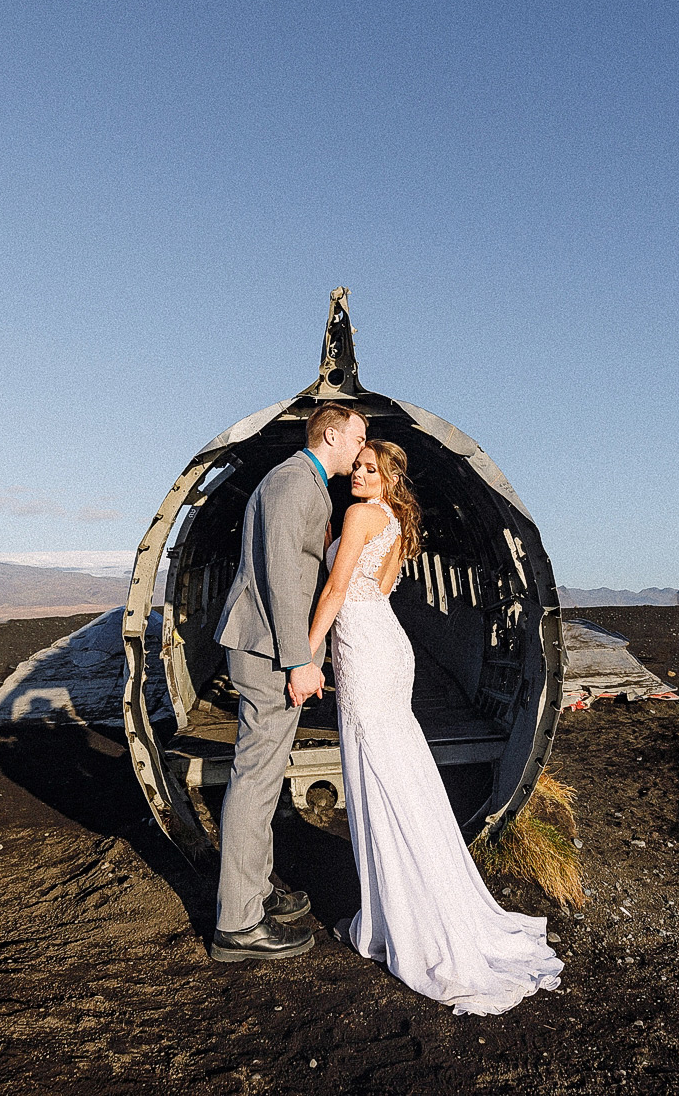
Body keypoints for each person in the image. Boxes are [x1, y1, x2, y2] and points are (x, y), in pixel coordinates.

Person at [308, 440, 564, 1015]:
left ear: (389, 477)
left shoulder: (359, 515)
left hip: (364, 648)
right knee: (398, 770)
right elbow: (375, 591)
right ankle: (410, 902)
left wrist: (307, 653)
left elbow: (336, 589)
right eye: (358, 467)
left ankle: (401, 915)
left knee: (380, 772)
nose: (359, 476)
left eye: (372, 471)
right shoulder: (395, 521)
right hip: (383, 641)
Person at [207, 403, 367, 962]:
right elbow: (280, 573)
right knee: (254, 779)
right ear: (329, 433)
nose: (360, 448)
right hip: (268, 651)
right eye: (357, 437)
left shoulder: (304, 485)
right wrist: (300, 660)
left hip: (273, 648)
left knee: (266, 774)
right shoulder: (294, 483)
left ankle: (256, 886)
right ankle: (239, 922)